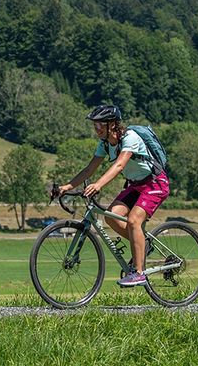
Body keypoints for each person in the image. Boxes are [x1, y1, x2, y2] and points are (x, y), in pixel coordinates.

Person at [52, 104, 170, 287]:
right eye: (95, 125)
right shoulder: (105, 144)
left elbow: (119, 165)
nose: (96, 129)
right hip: (135, 185)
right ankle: (143, 244)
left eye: (100, 125)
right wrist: (66, 186)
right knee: (112, 217)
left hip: (154, 183)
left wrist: (98, 185)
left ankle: (139, 273)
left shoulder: (130, 138)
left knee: (133, 221)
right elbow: (90, 169)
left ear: (112, 125)